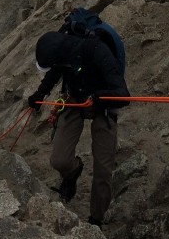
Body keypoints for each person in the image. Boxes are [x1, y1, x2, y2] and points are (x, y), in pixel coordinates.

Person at [27, 29, 130, 228]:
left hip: (104, 103)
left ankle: (96, 220)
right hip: (75, 98)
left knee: (103, 167)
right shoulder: (62, 53)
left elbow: (122, 93)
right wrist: (39, 96)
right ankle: (72, 172)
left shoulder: (98, 51)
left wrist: (99, 97)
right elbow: (54, 74)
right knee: (59, 159)